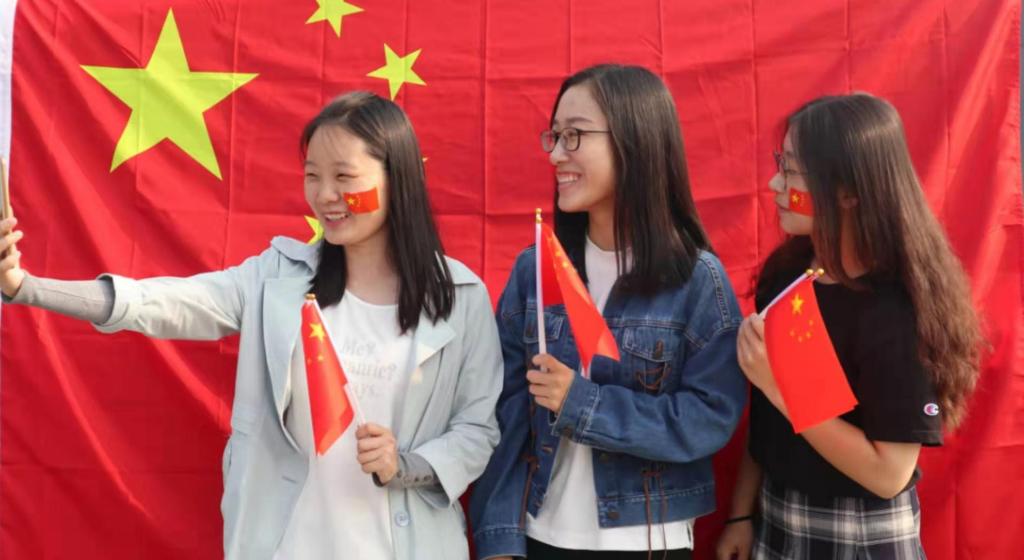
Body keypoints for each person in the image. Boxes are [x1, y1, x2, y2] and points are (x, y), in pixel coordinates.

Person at [0, 91, 503, 560]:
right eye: (312, 176)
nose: (325, 195)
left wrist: (404, 466)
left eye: (344, 177)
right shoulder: (276, 278)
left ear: (397, 178)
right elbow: (165, 301)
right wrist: (27, 286)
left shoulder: (461, 298)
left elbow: (477, 430)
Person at [469, 64, 748, 560]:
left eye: (574, 136)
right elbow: (506, 415)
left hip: (647, 541)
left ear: (634, 142)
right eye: (554, 136)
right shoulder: (537, 270)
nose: (556, 154)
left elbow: (710, 418)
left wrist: (584, 404)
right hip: (539, 535)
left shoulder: (696, 279)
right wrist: (499, 539)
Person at [715, 93, 982, 560]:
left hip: (860, 530)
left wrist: (781, 387)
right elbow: (766, 417)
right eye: (781, 164)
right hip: (777, 515)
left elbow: (889, 474)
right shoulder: (788, 275)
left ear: (848, 192)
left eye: (792, 171)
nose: (775, 183)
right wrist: (741, 514)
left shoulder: (896, 309)